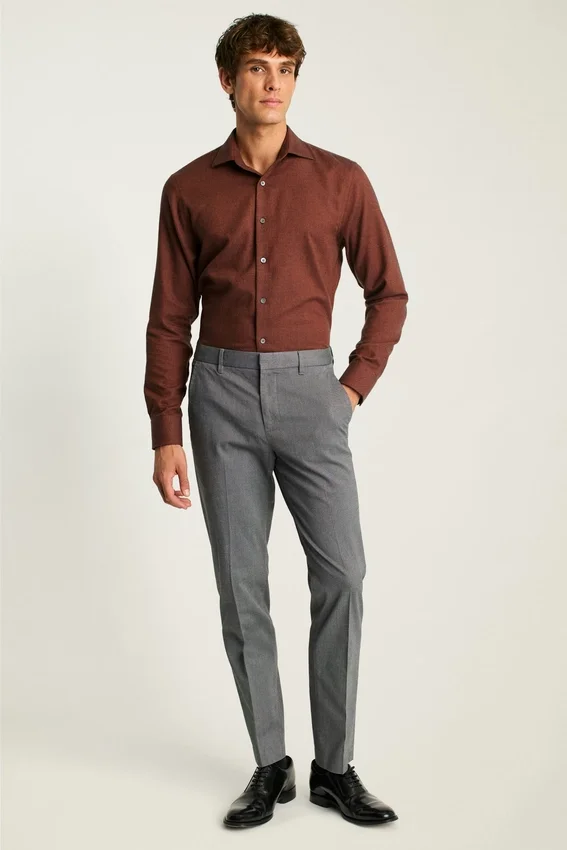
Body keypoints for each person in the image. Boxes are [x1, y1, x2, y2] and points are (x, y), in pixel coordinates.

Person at [144, 12, 408, 829]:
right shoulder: (188, 189)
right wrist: (164, 431)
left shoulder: (340, 180)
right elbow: (168, 320)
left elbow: (388, 293)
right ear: (228, 80)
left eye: (285, 68)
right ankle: (270, 764)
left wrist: (349, 390)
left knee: (343, 577)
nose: (273, 82)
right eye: (258, 67)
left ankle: (334, 767)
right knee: (241, 584)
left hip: (310, 394)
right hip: (218, 396)